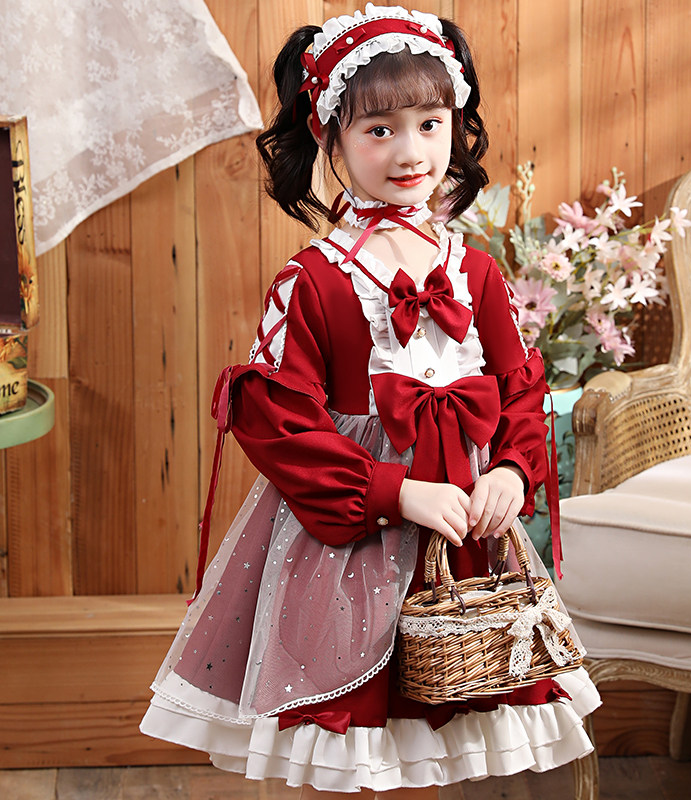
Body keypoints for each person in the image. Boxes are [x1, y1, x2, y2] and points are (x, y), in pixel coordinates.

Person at [140, 4, 601, 796]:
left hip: (466, 526)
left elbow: (521, 387)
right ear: (331, 139)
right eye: (379, 130)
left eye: (429, 124)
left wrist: (512, 470)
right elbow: (279, 421)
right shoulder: (313, 280)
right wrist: (396, 490)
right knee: (353, 736)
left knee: (461, 704)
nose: (410, 151)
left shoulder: (474, 270)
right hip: (351, 543)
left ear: (455, 127)